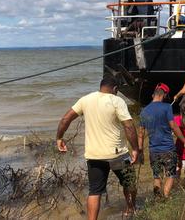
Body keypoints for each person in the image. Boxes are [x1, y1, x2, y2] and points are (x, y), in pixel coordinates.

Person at [56, 74, 140, 219]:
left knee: (94, 191)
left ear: (101, 87)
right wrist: (135, 149)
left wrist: (59, 138)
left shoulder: (85, 100)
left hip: (94, 155)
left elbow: (65, 119)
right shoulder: (117, 101)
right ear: (115, 89)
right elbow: (129, 127)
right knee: (130, 182)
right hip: (118, 154)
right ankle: (129, 209)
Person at [138, 83, 185, 198]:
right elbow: (173, 126)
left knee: (157, 176)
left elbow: (141, 133)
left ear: (153, 95)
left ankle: (157, 199)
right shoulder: (167, 107)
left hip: (153, 151)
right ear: (165, 95)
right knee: (170, 175)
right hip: (168, 149)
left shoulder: (144, 111)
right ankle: (166, 198)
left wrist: (140, 151)